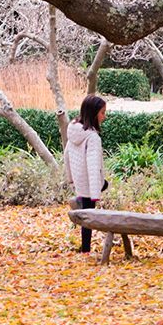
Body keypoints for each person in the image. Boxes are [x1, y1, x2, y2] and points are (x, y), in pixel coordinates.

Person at [65, 94, 107, 253]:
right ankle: (85, 250)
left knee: (86, 210)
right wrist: (96, 192)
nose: (104, 116)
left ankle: (78, 199)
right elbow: (93, 164)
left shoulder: (74, 131)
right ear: (93, 113)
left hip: (79, 180)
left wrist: (70, 178)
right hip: (89, 182)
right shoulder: (92, 137)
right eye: (102, 112)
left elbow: (66, 155)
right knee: (88, 218)